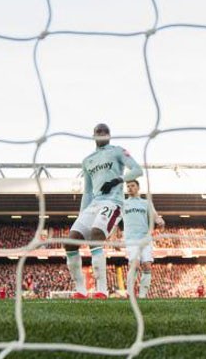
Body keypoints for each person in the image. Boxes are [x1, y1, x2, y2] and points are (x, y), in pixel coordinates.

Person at [65, 123, 143, 300]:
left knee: (96, 235)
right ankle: (81, 291)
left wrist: (118, 180)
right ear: (93, 136)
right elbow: (87, 191)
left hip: (113, 201)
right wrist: (81, 216)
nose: (101, 133)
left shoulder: (117, 151)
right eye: (98, 131)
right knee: (70, 242)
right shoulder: (87, 160)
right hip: (93, 204)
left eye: (105, 131)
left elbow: (138, 170)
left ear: (109, 135)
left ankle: (101, 291)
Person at [122, 179, 164, 299]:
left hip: (145, 238)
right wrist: (113, 235)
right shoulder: (123, 203)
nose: (130, 188)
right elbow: (117, 220)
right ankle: (130, 294)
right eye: (128, 186)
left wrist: (159, 220)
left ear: (138, 188)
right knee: (134, 264)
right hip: (131, 239)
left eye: (132, 186)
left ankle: (142, 296)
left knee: (147, 265)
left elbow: (155, 216)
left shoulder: (146, 203)